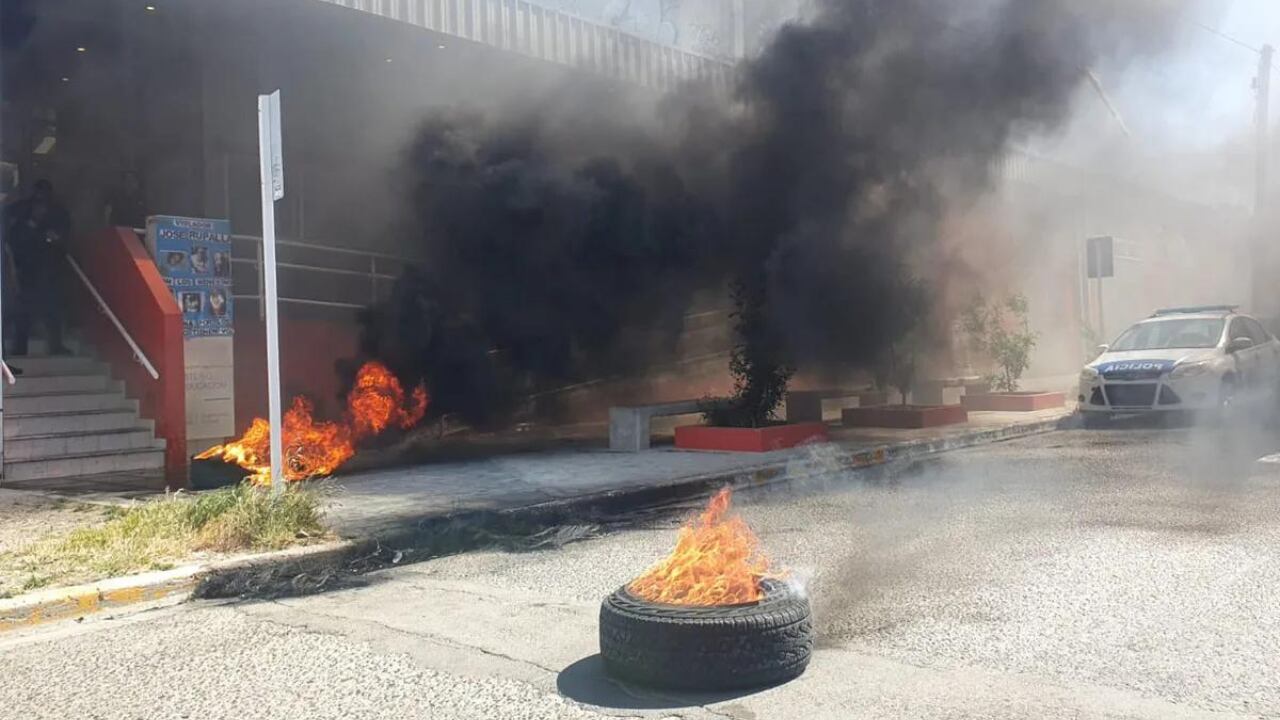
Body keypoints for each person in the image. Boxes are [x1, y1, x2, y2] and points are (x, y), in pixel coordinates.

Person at [4, 179, 70, 356]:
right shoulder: (21, 212)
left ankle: (56, 345)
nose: (40, 204)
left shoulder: (57, 213)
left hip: (49, 270)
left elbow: (63, 237)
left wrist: (55, 237)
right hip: (26, 269)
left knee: (53, 309)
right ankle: (20, 346)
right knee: (22, 311)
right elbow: (13, 238)